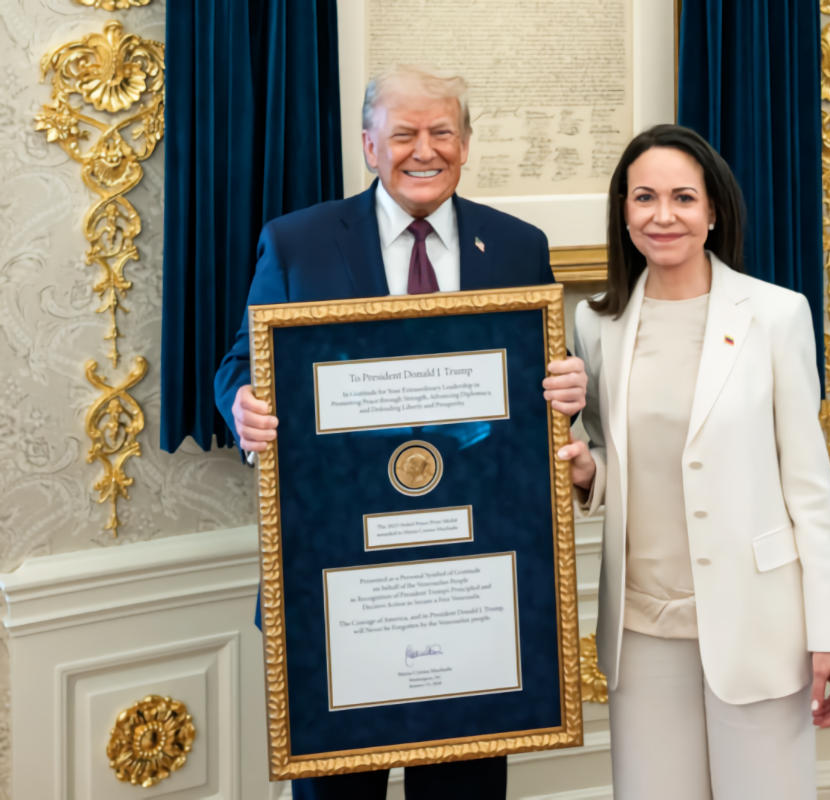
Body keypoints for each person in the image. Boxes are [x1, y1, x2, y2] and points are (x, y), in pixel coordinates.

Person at [214, 66, 585, 800]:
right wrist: (242, 405)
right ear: (368, 145)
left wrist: (567, 394)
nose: (425, 150)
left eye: (442, 132)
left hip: (474, 571)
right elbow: (240, 364)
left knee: (464, 785)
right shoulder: (298, 242)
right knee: (337, 789)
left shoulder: (516, 246)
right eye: (405, 133)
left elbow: (532, 393)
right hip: (337, 570)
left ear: (466, 144)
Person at [556, 124, 830, 798]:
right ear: (622, 212)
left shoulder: (776, 316)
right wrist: (585, 472)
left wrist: (829, 636)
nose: (662, 216)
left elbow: (808, 489)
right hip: (641, 626)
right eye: (643, 198)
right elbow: (607, 451)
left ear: (713, 211)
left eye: (683, 198)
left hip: (759, 622)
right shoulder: (595, 325)